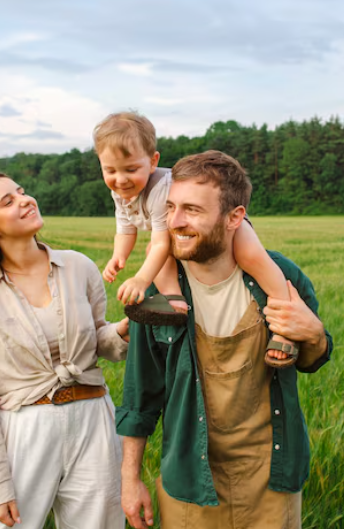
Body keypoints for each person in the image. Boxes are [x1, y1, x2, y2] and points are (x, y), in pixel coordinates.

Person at [116, 151, 334, 529]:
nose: (175, 222)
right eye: (170, 208)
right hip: (189, 481)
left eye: (192, 210)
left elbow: (314, 357)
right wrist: (130, 480)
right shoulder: (156, 298)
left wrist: (314, 334)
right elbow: (140, 395)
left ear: (235, 217)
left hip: (271, 477)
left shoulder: (280, 278)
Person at [0, 171, 129, 529]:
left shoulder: (78, 266)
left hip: (94, 419)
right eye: (8, 201)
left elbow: (98, 341)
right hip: (25, 430)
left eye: (22, 192)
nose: (25, 200)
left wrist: (126, 330)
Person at [94, 111, 298, 366]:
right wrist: (118, 256)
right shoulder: (120, 191)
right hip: (179, 230)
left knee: (254, 259)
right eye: (109, 170)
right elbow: (125, 228)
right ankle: (174, 301)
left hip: (226, 223)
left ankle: (286, 326)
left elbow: (160, 243)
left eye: (131, 169)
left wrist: (140, 279)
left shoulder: (158, 190)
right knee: (153, 252)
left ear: (153, 161)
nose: (120, 179)